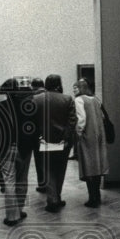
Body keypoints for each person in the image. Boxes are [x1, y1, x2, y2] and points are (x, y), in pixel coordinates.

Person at [0, 78, 37, 226]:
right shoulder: (26, 102)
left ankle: (12, 216)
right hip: (24, 146)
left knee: (9, 180)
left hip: (5, 147)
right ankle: (20, 209)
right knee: (22, 179)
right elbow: (31, 127)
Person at [30, 74, 76, 212]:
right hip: (62, 140)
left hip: (43, 140)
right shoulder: (67, 99)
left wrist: (37, 138)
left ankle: (52, 199)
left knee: (48, 170)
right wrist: (66, 138)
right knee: (60, 170)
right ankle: (57, 196)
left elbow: (32, 122)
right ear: (59, 84)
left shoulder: (36, 99)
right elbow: (72, 121)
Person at [72, 79, 109, 208]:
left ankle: (92, 198)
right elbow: (103, 117)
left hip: (87, 137)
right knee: (97, 166)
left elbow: (81, 119)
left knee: (88, 167)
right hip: (99, 136)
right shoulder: (95, 99)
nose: (74, 90)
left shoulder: (78, 100)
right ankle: (97, 196)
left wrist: (78, 133)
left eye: (76, 88)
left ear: (81, 88)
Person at [29, 77, 47, 193]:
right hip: (53, 134)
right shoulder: (54, 97)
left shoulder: (32, 99)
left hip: (37, 135)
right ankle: (53, 186)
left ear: (33, 86)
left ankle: (42, 184)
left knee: (39, 161)